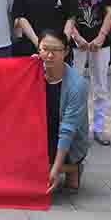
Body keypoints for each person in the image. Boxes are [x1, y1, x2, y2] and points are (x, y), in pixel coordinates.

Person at [68, 0, 111, 146]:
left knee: (101, 87)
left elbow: (110, 12)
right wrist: (77, 37)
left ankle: (99, 128)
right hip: (75, 44)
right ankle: (75, 130)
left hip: (100, 44)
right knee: (74, 88)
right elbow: (65, 15)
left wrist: (101, 37)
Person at [39, 29, 90, 192]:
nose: (49, 55)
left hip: (69, 140)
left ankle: (72, 167)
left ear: (66, 51)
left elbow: (68, 129)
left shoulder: (77, 85)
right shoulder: (33, 72)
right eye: (45, 49)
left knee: (39, 171)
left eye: (56, 50)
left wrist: (55, 169)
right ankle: (56, 167)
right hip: (42, 132)